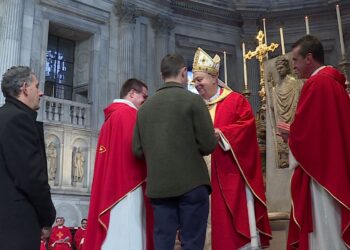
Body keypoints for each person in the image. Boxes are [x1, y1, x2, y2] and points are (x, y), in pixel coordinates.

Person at [133, 53, 217, 250]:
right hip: (193, 184)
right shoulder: (193, 101)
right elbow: (208, 145)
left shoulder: (144, 109)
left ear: (161, 75)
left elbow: (137, 150)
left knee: (162, 243)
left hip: (159, 187)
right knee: (192, 243)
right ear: (182, 73)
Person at [192, 47, 271, 250]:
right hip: (201, 177)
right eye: (194, 80)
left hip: (230, 173)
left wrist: (222, 133)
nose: (196, 83)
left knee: (230, 229)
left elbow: (247, 127)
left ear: (213, 77)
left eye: (199, 79)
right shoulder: (194, 105)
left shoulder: (235, 100)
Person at [282, 35, 350, 249]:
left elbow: (307, 135)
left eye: (295, 60)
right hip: (336, 167)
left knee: (324, 224)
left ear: (309, 58)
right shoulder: (335, 82)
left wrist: (290, 135)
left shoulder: (316, 84)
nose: (293, 66)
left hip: (321, 173)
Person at [84, 79, 153, 250]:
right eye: (143, 97)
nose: (145, 102)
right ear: (132, 93)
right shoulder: (129, 115)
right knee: (129, 233)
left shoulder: (110, 118)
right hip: (129, 186)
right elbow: (140, 152)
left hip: (113, 190)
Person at [0, 66, 56, 250]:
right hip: (15, 223)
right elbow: (31, 178)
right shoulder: (19, 120)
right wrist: (47, 217)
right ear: (24, 88)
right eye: (37, 86)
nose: (40, 93)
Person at [270, 56, 303, 168]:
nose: (279, 70)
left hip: (294, 121)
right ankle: (284, 157)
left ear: (287, 68)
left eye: (281, 67)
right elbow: (272, 107)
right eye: (277, 68)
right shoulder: (276, 88)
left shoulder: (296, 84)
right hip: (281, 123)